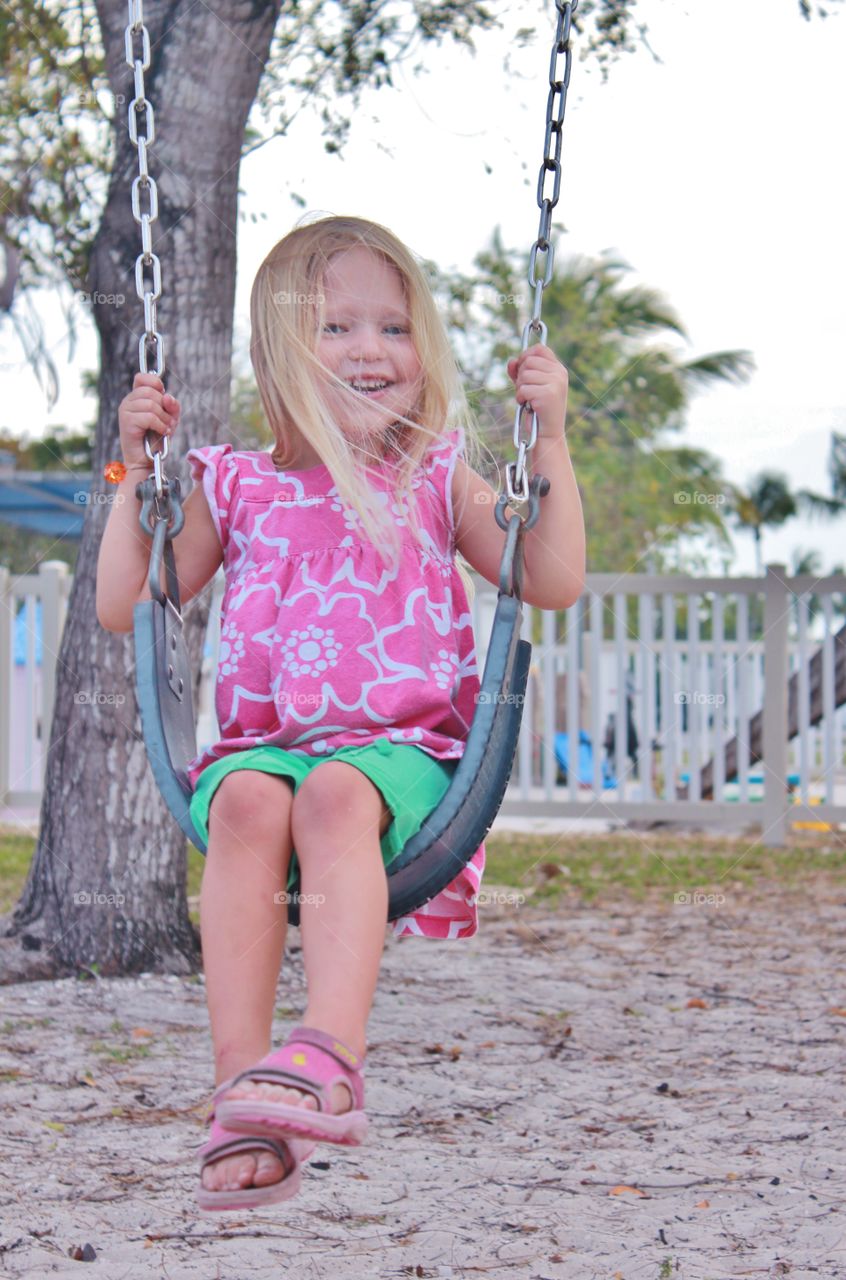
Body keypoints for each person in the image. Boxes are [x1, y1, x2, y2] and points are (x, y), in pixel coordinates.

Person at [96, 215, 585, 1212]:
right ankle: (244, 1090)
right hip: (263, 748)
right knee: (239, 804)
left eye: (394, 328)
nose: (371, 349)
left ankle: (329, 1050)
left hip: (402, 753)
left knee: (330, 792)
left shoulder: (435, 471)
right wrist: (133, 472)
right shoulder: (235, 481)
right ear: (282, 350)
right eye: (337, 328)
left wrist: (555, 440)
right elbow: (123, 601)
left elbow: (553, 574)